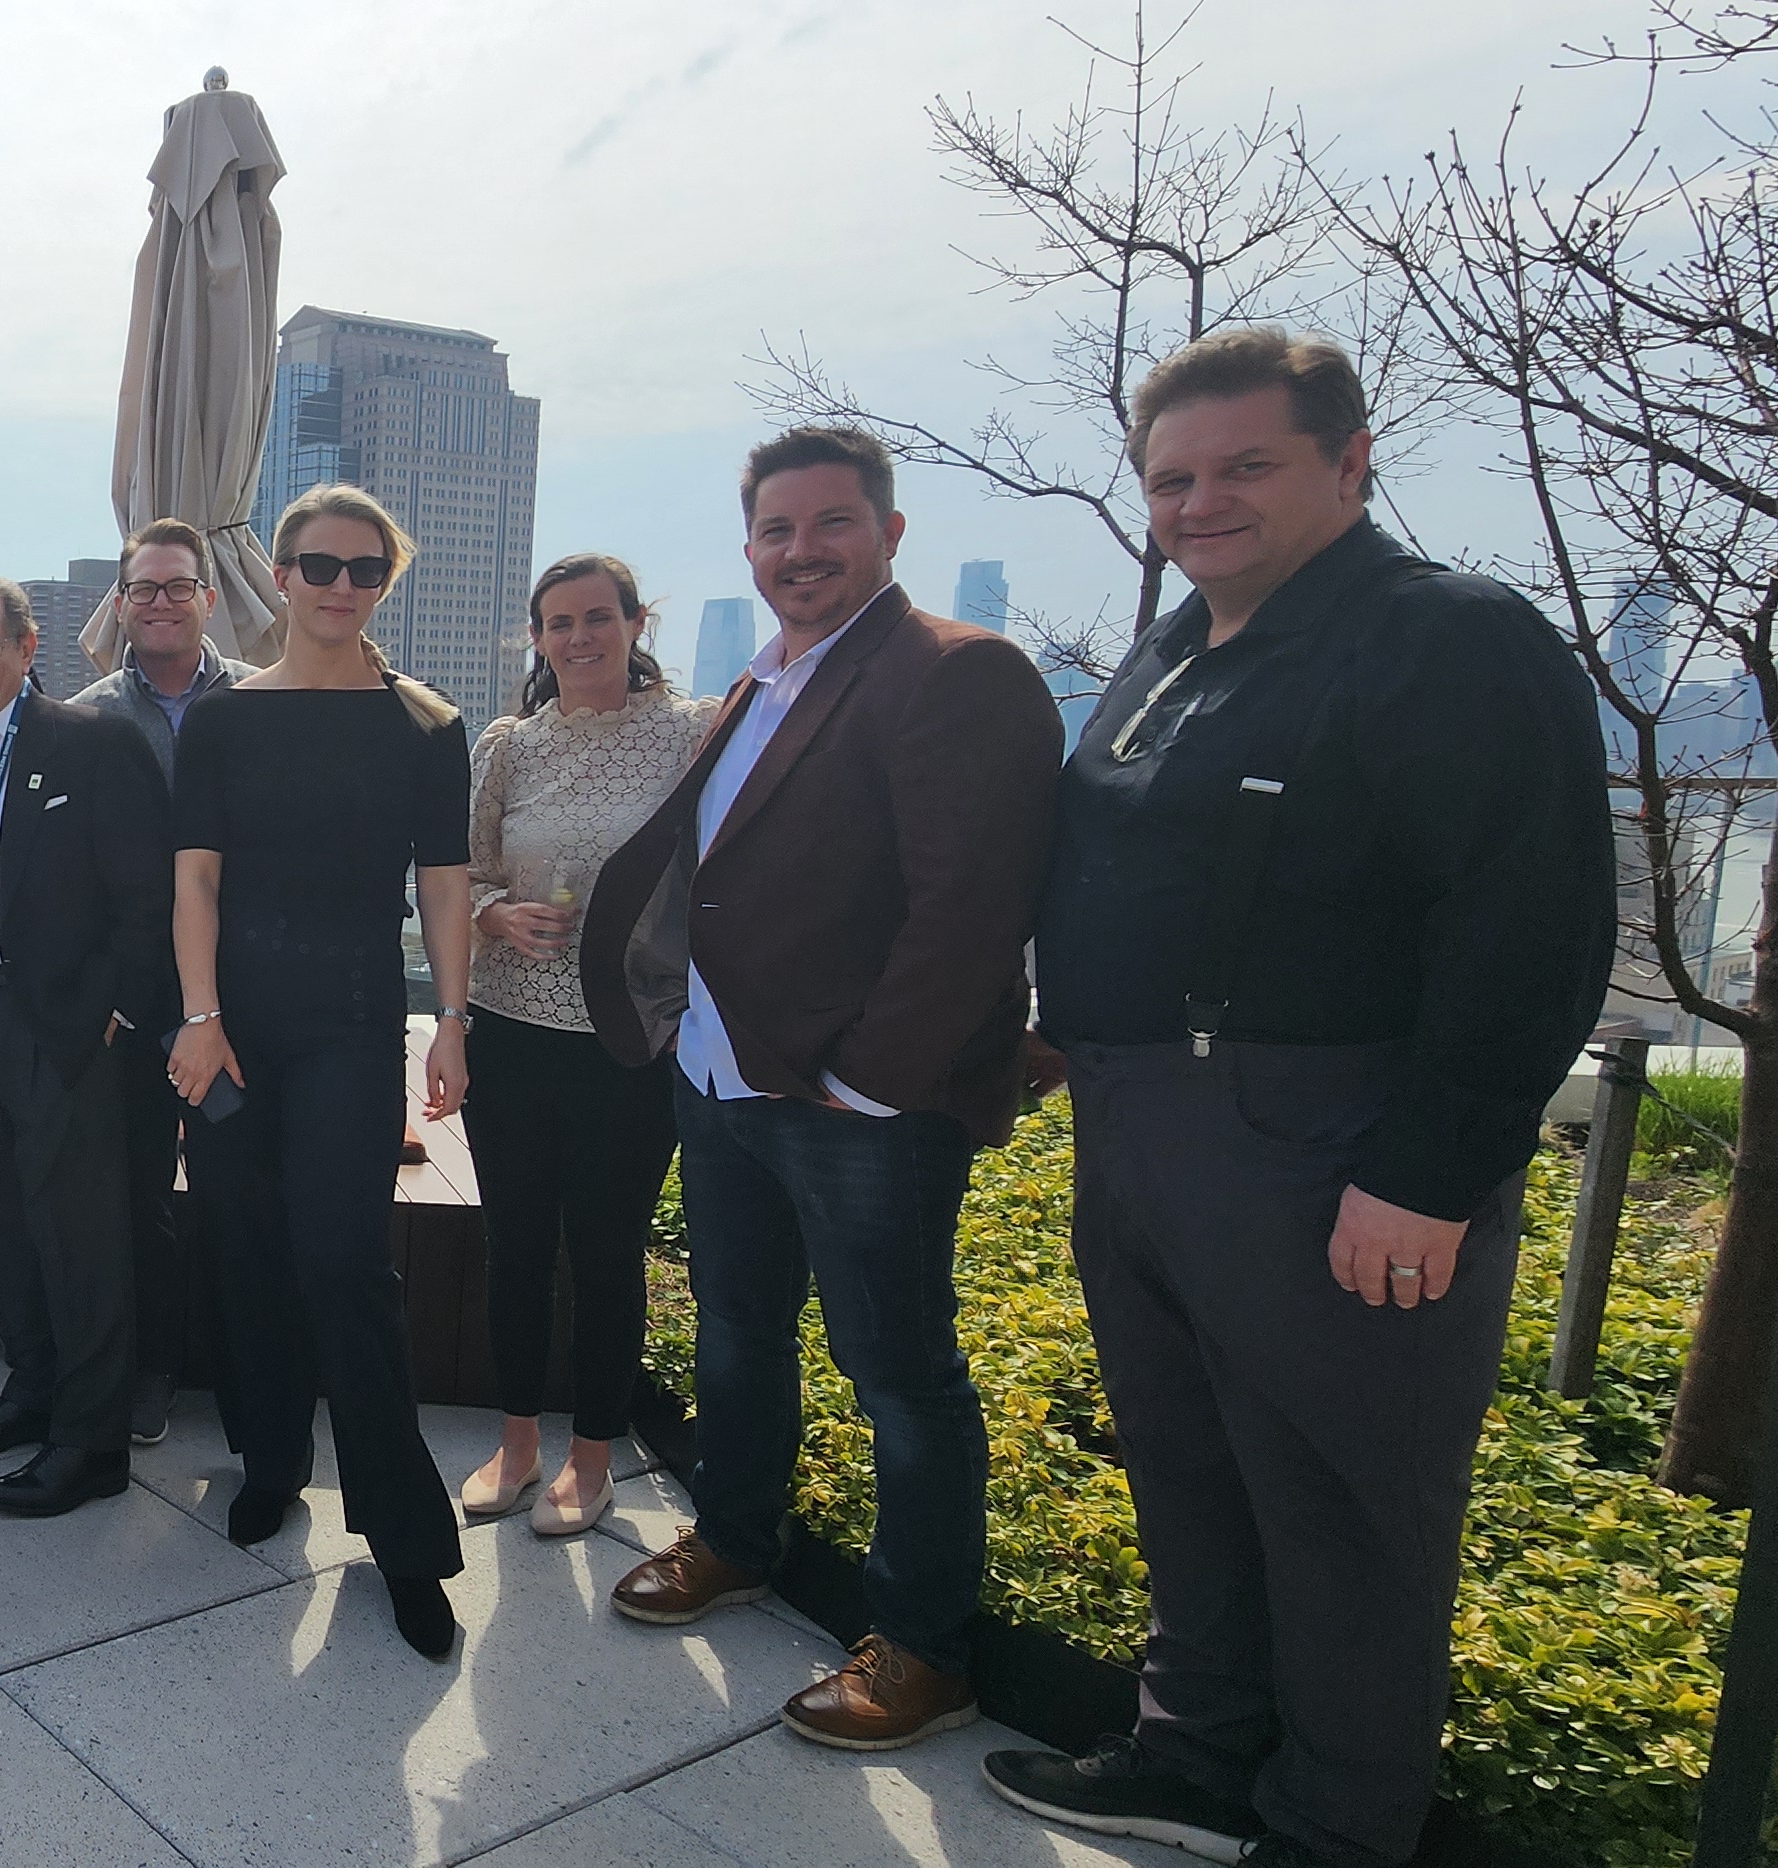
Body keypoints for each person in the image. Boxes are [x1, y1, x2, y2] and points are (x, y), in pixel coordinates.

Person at [987, 331, 1613, 1868]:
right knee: (1188, 1467)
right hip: (1142, 1128)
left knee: (1344, 1505)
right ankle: (1196, 1760)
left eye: (1244, 466)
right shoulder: (1175, 651)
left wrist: (1431, 1173)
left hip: (1326, 1141)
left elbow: (1530, 925)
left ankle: (1340, 1828)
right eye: (1172, 478)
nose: (1199, 502)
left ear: (1349, 462)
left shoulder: (1446, 639)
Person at [580, 426, 1060, 1745]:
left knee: (900, 1373)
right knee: (737, 1328)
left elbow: (972, 907)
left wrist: (872, 1079)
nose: (801, 551)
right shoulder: (765, 678)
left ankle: (924, 1647)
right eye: (776, 530)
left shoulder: (954, 671)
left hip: (857, 1106)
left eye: (830, 523)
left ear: (889, 533)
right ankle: (738, 1537)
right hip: (722, 1076)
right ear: (749, 548)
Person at [164, 485, 474, 1662]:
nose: (341, 585)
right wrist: (200, 1017)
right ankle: (271, 1459)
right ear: (280, 575)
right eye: (320, 564)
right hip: (233, 1024)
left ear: (386, 580)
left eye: (364, 568)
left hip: (351, 1022)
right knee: (243, 1245)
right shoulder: (222, 720)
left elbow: (442, 882)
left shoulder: (425, 725)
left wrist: (451, 1020)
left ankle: (406, 1538)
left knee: (346, 1267)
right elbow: (195, 879)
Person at [0, 576, 174, 1519]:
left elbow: (146, 898)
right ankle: (33, 1389)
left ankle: (91, 1442)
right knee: (1, 1224)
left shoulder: (93, 743)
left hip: (62, 1027)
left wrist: (115, 1014)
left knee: (79, 1235)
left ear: (25, 646)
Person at [454, 553, 715, 1540]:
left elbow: (719, 874)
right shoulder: (509, 745)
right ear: (536, 637)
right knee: (515, 1245)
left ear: (637, 623)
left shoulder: (691, 733)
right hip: (511, 1031)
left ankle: (594, 1455)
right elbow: (460, 871)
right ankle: (517, 1440)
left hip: (630, 1038)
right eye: (558, 622)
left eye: (598, 617)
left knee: (606, 1252)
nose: (579, 637)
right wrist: (493, 915)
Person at [66, 517, 262, 1446]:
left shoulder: (261, 703)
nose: (159, 603)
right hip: (137, 993)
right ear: (120, 603)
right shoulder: (88, 716)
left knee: (239, 1184)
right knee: (137, 1187)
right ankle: (150, 1366)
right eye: (142, 588)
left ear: (208, 599)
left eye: (177, 586)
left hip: (245, 988)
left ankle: (242, 1371)